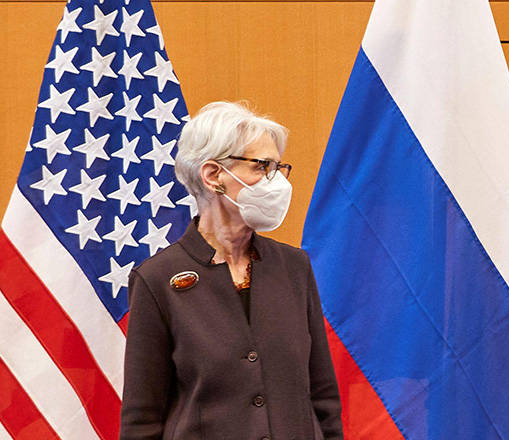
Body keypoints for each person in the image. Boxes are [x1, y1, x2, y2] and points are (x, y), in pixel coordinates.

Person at [119, 101, 342, 439]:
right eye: (261, 166)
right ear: (213, 176)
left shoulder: (294, 267)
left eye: (278, 167)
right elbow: (142, 419)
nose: (276, 181)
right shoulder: (157, 279)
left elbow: (323, 397)